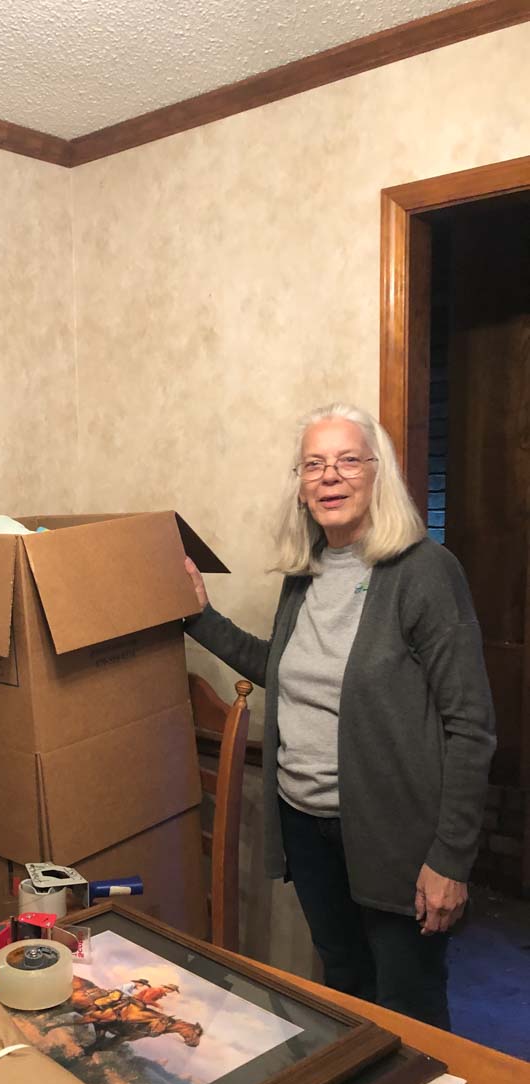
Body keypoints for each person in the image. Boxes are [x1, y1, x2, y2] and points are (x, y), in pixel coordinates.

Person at [184, 402, 495, 1029]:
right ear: (299, 487)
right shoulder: (306, 575)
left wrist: (450, 859)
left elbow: (471, 725)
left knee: (410, 1009)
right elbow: (284, 668)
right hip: (307, 826)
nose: (331, 476)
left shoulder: (426, 573)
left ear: (378, 476)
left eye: (349, 460)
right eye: (314, 464)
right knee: (346, 988)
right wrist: (198, 615)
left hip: (395, 838)